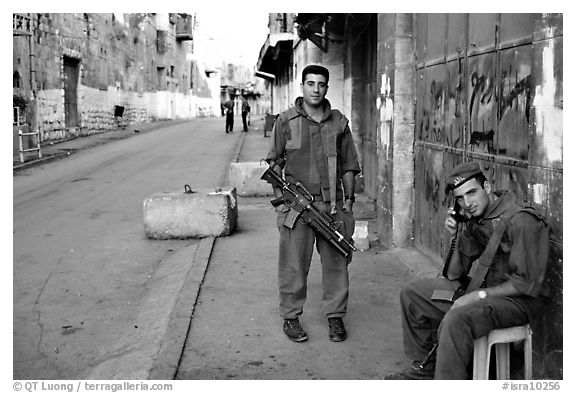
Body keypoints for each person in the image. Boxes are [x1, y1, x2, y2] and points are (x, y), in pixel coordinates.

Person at [385, 161, 550, 379]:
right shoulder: (477, 218)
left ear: (487, 187)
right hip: (487, 292)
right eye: (461, 198)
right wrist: (455, 234)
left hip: (519, 303)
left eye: (472, 193)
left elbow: (525, 283)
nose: (467, 203)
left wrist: (477, 295)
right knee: (413, 294)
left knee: (456, 319)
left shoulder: (522, 221)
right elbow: (454, 274)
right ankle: (426, 369)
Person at [266, 64, 361, 343]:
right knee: (293, 265)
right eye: (310, 84)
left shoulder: (339, 124)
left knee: (336, 263)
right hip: (296, 208)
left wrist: (349, 203)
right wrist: (281, 204)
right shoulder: (285, 122)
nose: (315, 89)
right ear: (302, 87)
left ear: (327, 87)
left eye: (321, 84)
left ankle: (335, 318)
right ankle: (291, 318)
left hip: (331, 206)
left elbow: (349, 166)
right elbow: (274, 164)